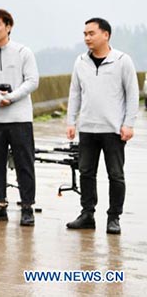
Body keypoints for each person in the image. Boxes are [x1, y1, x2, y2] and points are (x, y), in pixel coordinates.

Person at [65, 18, 138, 235]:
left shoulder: (122, 61)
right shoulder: (80, 62)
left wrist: (129, 124)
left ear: (105, 35)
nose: (87, 37)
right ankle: (87, 214)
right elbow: (75, 93)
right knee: (86, 172)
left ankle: (114, 217)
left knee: (115, 175)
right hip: (88, 128)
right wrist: (71, 121)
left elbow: (132, 94)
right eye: (85, 34)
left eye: (91, 33)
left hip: (113, 130)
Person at [0, 8, 39, 226]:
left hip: (20, 118)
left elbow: (32, 81)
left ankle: (27, 207)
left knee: (24, 163)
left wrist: (11, 98)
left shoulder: (23, 52)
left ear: (8, 26)